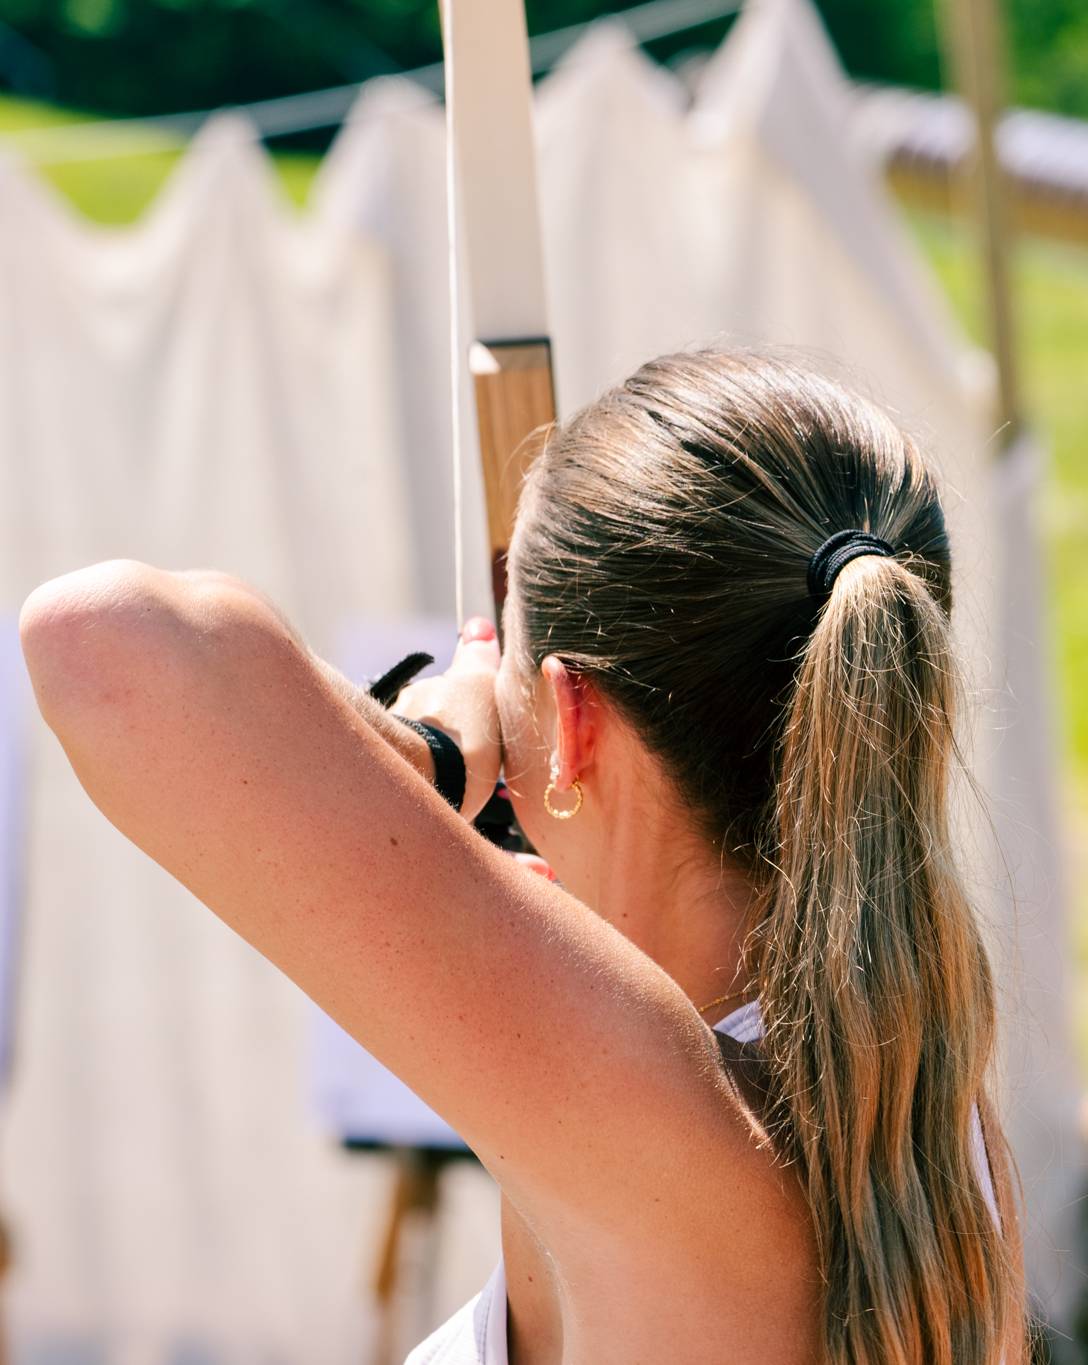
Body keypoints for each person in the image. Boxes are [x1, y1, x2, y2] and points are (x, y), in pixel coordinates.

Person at [20, 346, 1027, 1364]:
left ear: (573, 721)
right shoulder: (924, 1108)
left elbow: (104, 643)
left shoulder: (653, 1103)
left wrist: (433, 750)